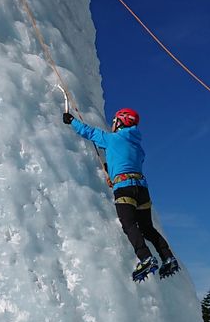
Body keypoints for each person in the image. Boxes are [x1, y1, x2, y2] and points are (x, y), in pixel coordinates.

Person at [64, 107, 180, 282]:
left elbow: (89, 132)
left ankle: (146, 257)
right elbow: (126, 160)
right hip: (141, 189)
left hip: (124, 187)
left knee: (129, 224)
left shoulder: (112, 139)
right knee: (147, 228)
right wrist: (112, 171)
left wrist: (71, 120)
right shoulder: (137, 147)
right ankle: (168, 257)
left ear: (120, 122)